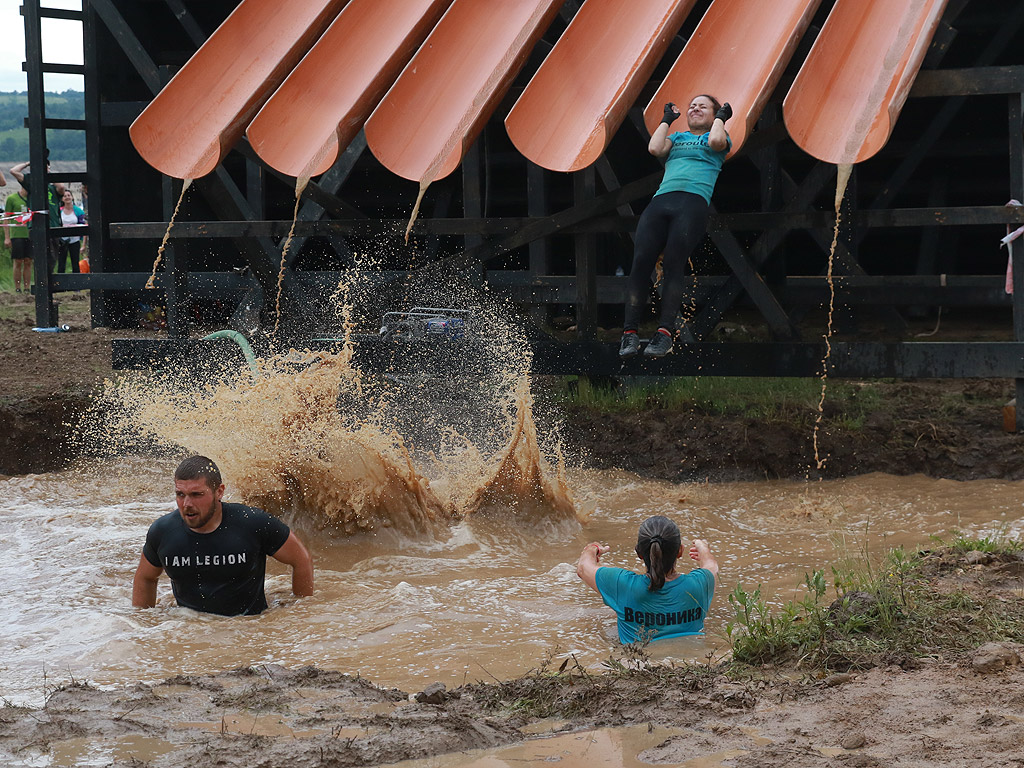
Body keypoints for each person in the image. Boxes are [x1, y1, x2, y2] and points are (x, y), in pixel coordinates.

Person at [620, 95, 732, 358]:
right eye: (692, 105)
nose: (695, 108)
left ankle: (664, 334)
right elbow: (654, 149)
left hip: (691, 203)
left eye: (702, 106)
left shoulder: (717, 137)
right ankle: (629, 334)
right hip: (662, 201)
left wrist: (720, 119)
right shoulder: (679, 137)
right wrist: (666, 120)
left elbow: (717, 141)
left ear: (715, 115)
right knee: (640, 262)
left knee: (673, 263)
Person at [132, 455, 314, 616]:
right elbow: (146, 578)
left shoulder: (252, 523)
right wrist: (145, 627)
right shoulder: (163, 531)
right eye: (180, 494)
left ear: (219, 491)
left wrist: (300, 613)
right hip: (189, 633)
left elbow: (301, 559)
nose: (186, 504)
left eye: (197, 494)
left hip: (250, 629)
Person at [576, 515, 718, 644]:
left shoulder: (622, 584)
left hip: (638, 663)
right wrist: (703, 548)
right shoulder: (700, 584)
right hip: (689, 660)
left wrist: (593, 548)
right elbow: (712, 567)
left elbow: (583, 567)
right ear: (680, 551)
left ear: (639, 553)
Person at [10, 157, 64, 273]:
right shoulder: (31, 182)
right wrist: (28, 163)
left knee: (53, 256)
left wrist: (49, 173)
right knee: (39, 255)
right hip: (36, 225)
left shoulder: (53, 186)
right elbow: (13, 171)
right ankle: (41, 280)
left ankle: (49, 279)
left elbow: (61, 188)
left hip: (53, 224)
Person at [3, 184, 32, 293]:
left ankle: (27, 287)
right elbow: (6, 219)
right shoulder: (12, 199)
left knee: (28, 261)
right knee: (18, 261)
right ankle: (17, 287)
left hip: (29, 234)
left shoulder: (32, 199)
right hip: (17, 234)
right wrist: (7, 237)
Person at [55, 189, 86, 273]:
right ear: (62, 199)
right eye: (65, 196)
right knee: (61, 264)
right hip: (62, 241)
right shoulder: (59, 211)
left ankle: (77, 283)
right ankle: (60, 283)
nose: (67, 197)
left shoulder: (78, 211)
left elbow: (83, 225)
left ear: (72, 197)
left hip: (74, 241)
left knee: (75, 263)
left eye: (69, 195)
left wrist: (82, 241)